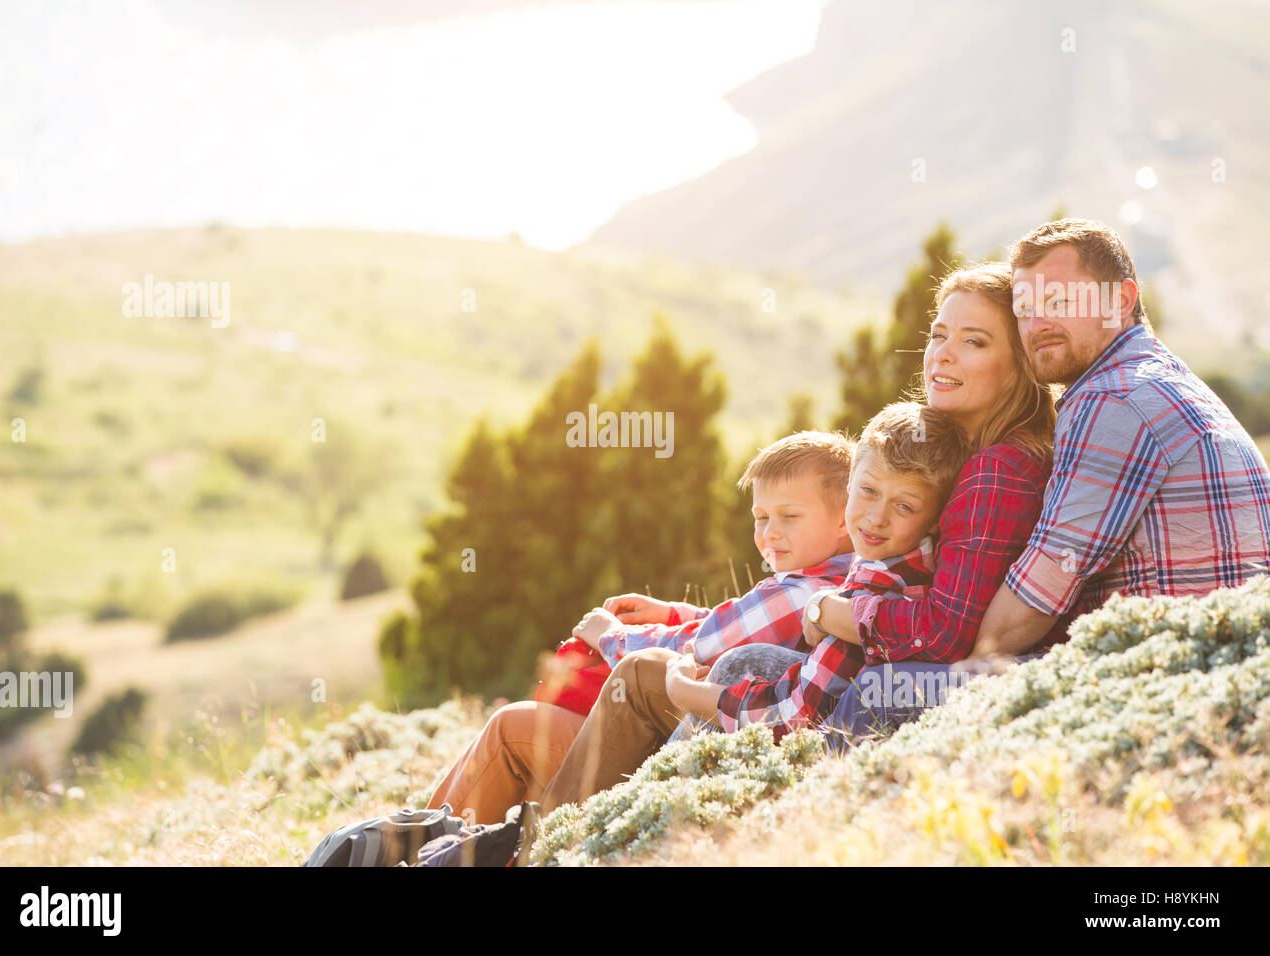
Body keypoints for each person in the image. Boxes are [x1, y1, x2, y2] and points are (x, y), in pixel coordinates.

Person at [810, 217, 1270, 742]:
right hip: (1210, 658)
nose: (1038, 325)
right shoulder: (1145, 376)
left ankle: (815, 812)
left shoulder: (1112, 399)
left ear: (1121, 301)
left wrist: (941, 656)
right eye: (1026, 309)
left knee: (880, 690)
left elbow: (1026, 610)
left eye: (1060, 302)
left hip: (1172, 680)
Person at [538, 400, 975, 811]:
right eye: (867, 492)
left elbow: (798, 716)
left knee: (726, 664)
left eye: (904, 506)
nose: (877, 517)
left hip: (795, 745)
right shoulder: (876, 567)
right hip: (791, 720)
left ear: (934, 517)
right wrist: (676, 614)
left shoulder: (876, 592)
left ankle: (602, 831)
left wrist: (691, 693)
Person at [426, 430, 859, 823]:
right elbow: (731, 626)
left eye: (789, 516)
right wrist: (672, 612)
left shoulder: (800, 593)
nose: (770, 534)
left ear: (844, 519)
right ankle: (453, 841)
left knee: (509, 730)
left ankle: (446, 843)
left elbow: (701, 646)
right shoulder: (825, 584)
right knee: (515, 726)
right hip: (702, 725)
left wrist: (610, 636)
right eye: (761, 518)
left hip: (683, 735)